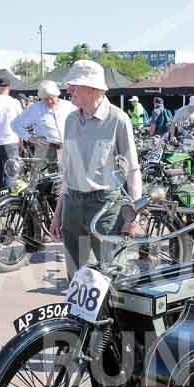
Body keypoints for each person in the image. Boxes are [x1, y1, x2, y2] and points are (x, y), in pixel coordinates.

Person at [50, 60, 141, 278]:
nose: (68, 90)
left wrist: (133, 217)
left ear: (91, 88)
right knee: (76, 276)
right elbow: (68, 171)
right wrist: (58, 214)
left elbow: (133, 171)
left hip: (105, 207)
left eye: (74, 85)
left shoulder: (118, 119)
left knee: (111, 274)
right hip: (72, 204)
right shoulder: (71, 120)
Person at [11, 80, 77, 161]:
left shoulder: (69, 107)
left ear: (57, 94)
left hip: (67, 148)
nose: (49, 101)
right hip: (45, 150)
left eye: (51, 98)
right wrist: (29, 138)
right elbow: (15, 124)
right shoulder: (35, 108)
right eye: (45, 99)